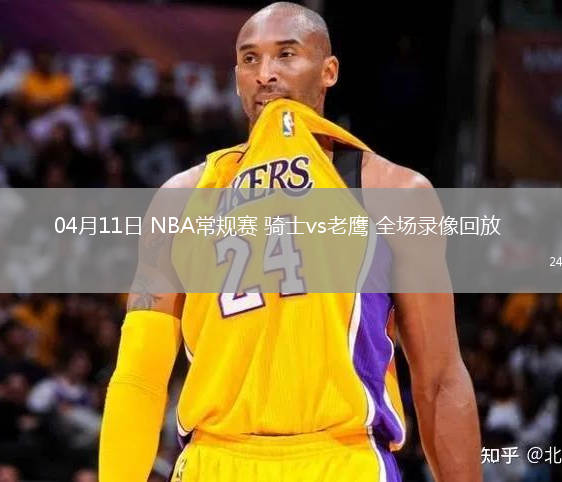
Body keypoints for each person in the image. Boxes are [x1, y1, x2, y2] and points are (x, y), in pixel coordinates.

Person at [99, 2, 482, 482]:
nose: (265, 73)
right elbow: (139, 378)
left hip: (341, 461)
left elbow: (440, 379)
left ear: (329, 71)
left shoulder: (394, 192)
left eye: (286, 54)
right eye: (250, 59)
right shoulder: (181, 198)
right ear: (236, 78)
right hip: (214, 460)